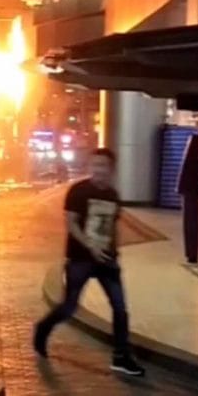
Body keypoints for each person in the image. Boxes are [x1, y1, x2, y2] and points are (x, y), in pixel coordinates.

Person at [33, 147, 145, 376]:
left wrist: (114, 251)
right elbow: (71, 223)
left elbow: (112, 226)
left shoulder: (113, 195)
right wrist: (90, 246)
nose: (99, 170)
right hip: (80, 259)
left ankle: (121, 356)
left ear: (111, 170)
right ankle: (43, 329)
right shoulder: (78, 191)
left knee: (120, 308)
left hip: (107, 260)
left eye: (103, 166)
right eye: (95, 165)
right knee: (69, 306)